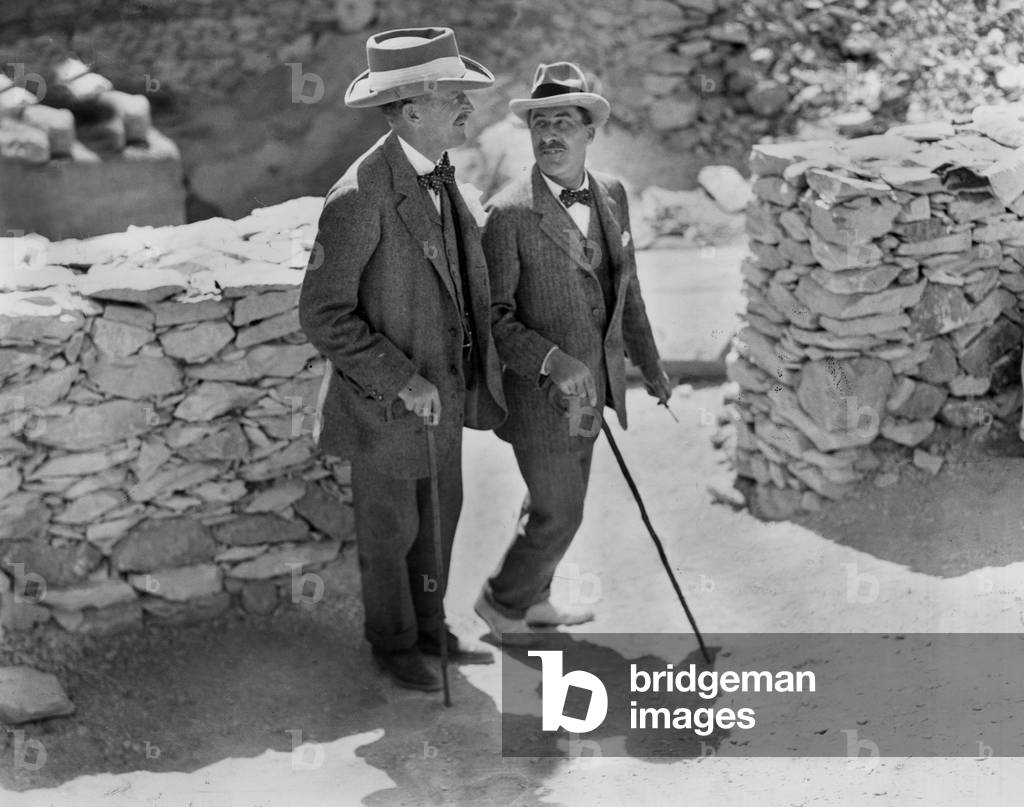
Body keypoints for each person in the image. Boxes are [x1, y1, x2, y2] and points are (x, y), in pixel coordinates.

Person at [299, 27, 506, 690]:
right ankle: (391, 644)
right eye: (456, 98)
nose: (469, 109)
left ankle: (429, 627)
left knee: (438, 523)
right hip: (387, 406)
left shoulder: (441, 177)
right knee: (390, 534)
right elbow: (323, 313)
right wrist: (401, 377)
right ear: (413, 109)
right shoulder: (359, 197)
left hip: (442, 400)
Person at [473, 62, 672, 645]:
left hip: (595, 391)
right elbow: (492, 319)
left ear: (590, 132)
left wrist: (650, 363)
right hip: (540, 398)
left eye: (564, 122)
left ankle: (534, 602)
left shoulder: (611, 193)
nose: (550, 135)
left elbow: (624, 289)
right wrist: (552, 360)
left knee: (548, 502)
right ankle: (499, 602)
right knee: (563, 513)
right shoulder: (508, 213)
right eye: (540, 124)